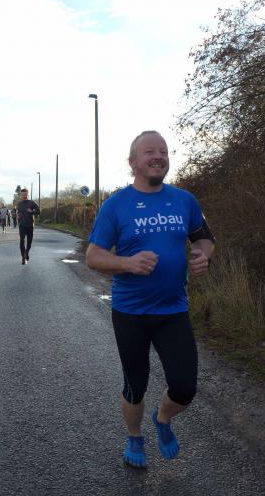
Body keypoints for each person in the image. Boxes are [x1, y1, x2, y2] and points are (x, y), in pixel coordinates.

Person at [85, 131, 215, 468]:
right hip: (131, 313)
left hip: (174, 310)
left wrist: (203, 255)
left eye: (163, 151)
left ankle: (162, 418)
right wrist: (127, 263)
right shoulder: (116, 205)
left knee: (185, 388)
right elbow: (93, 256)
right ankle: (135, 437)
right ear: (133, 162)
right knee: (135, 385)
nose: (158, 156)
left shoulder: (185, 200)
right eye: (149, 152)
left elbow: (204, 238)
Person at [16, 188, 40, 265]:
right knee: (22, 240)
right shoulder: (19, 204)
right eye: (22, 194)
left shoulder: (32, 203)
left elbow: (38, 211)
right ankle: (23, 257)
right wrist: (18, 215)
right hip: (22, 225)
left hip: (30, 225)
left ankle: (26, 252)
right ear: (21, 195)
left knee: (29, 242)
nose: (24, 196)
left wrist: (32, 212)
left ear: (27, 194)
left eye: (25, 194)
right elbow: (18, 212)